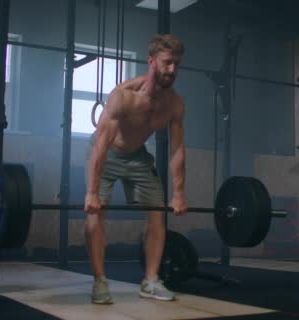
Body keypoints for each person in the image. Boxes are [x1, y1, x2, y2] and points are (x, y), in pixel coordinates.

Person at [84, 34, 188, 304]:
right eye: (167, 63)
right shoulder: (123, 96)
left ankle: (150, 281)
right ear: (151, 61)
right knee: (96, 214)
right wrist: (92, 192)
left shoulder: (174, 104)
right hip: (107, 153)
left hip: (139, 157)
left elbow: (177, 149)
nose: (172, 70)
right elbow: (101, 145)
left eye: (177, 64)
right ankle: (100, 281)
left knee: (158, 215)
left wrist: (178, 193)